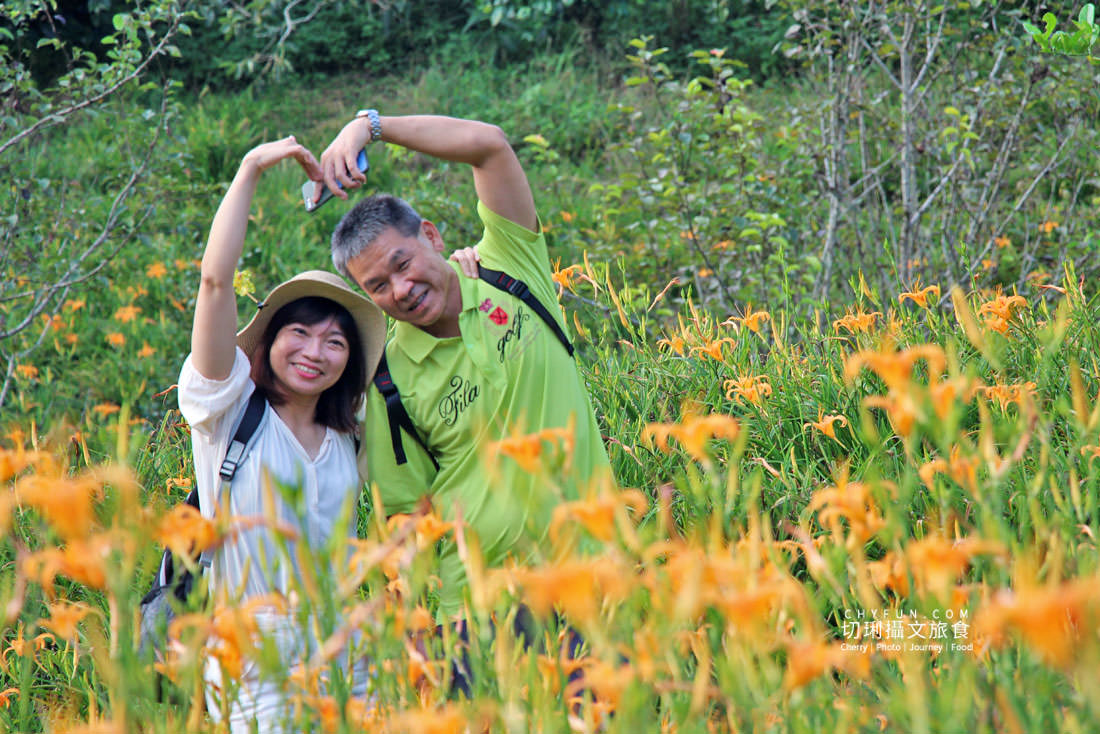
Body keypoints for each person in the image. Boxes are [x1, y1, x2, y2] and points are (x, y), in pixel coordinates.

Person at [321, 112, 615, 627]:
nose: (401, 289)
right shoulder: (387, 377)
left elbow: (490, 146)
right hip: (478, 614)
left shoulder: (511, 270)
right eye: (378, 286)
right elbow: (405, 516)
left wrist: (368, 126)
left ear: (431, 237)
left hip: (592, 576)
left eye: (402, 263)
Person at [177, 136, 386, 733]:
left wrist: (467, 271)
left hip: (349, 647)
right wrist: (248, 170)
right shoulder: (229, 405)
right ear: (268, 340)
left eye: (336, 341)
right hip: (251, 648)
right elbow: (215, 284)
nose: (315, 353)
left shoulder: (349, 433)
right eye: (300, 332)